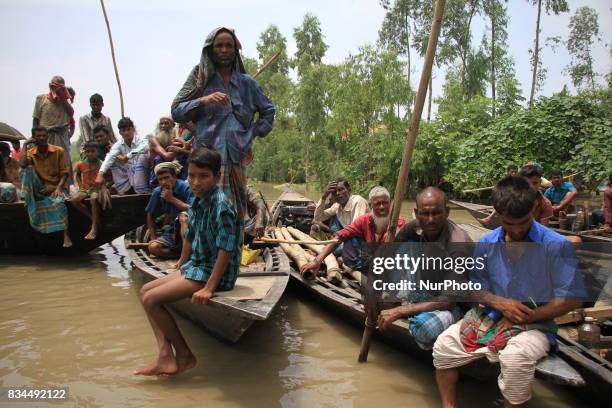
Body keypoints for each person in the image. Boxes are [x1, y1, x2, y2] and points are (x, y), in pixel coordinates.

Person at [433, 176, 586, 408]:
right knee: (443, 347)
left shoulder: (556, 245)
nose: (516, 230)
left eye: (522, 223)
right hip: (492, 316)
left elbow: (572, 299)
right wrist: (501, 304)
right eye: (508, 223)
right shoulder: (486, 243)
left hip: (538, 324)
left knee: (514, 359)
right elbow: (475, 289)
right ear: (497, 213)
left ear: (534, 207)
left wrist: (526, 316)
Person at [135, 147, 241, 376]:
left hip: (215, 273)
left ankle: (184, 355)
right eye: (192, 175)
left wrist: (210, 288)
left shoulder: (221, 205)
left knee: (152, 300)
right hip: (199, 265)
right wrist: (182, 263)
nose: (195, 182)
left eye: (203, 176)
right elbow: (190, 236)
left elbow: (227, 248)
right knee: (145, 291)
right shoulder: (200, 201)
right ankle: (165, 356)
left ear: (216, 177)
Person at [171, 27, 275, 221]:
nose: (224, 50)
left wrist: (251, 133)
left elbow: (268, 111)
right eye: (219, 45)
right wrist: (204, 100)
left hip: (236, 157)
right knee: (203, 213)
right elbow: (176, 110)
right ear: (211, 50)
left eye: (229, 45)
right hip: (205, 159)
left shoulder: (247, 83)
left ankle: (231, 249)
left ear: (235, 50)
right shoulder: (199, 77)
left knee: (234, 214)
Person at [377, 187, 472, 350]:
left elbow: (449, 300)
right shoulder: (414, 227)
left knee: (424, 329)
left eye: (436, 213)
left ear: (447, 212)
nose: (430, 220)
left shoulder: (458, 244)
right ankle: (408, 301)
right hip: (423, 290)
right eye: (425, 214)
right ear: (416, 212)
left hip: (454, 303)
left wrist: (401, 311)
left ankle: (414, 309)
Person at [301, 186, 405, 275]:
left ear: (390, 203)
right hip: (369, 261)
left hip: (389, 264)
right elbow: (339, 237)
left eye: (385, 203)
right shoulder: (363, 220)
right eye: (377, 204)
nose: (382, 207)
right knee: (349, 238)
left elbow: (398, 234)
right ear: (370, 205)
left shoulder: (397, 221)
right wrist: (317, 261)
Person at [19, 127, 72, 247]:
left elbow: (65, 173)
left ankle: (66, 234)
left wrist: (59, 188)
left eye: (44, 135)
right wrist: (25, 145)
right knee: (27, 169)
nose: (42, 138)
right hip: (39, 188)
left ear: (47, 136)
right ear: (34, 138)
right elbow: (22, 164)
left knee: (59, 202)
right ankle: (27, 197)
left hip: (56, 187)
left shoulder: (58, 151)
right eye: (38, 136)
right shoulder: (31, 152)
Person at [146, 161, 194, 258]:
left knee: (183, 218)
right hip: (173, 230)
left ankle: (187, 253)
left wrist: (171, 199)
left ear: (174, 177)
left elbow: (194, 210)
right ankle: (182, 254)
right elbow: (150, 215)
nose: (164, 182)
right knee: (153, 248)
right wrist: (153, 237)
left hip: (192, 228)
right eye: (160, 179)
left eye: (167, 177)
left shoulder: (186, 188)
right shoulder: (158, 192)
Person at [32, 75, 74, 181]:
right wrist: (34, 137)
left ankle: (65, 187)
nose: (56, 89)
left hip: (61, 135)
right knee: (45, 161)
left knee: (64, 161)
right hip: (45, 136)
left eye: (59, 87)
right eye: (54, 86)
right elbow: (36, 119)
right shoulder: (41, 99)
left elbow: (71, 113)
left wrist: (62, 96)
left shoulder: (66, 101)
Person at [94, 117, 150, 194]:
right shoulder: (118, 144)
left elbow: (146, 146)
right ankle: (125, 189)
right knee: (112, 159)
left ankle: (142, 190)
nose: (127, 132)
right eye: (124, 130)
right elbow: (109, 157)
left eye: (129, 129)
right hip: (128, 172)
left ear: (133, 129)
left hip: (143, 171)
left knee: (142, 156)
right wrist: (100, 174)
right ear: (120, 132)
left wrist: (128, 156)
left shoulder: (141, 139)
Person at [72, 141, 103, 240]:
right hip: (85, 188)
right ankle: (93, 218)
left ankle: (94, 228)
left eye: (93, 151)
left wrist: (104, 185)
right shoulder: (80, 164)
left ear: (97, 151)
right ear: (85, 152)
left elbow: (108, 176)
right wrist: (80, 185)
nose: (90, 153)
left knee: (94, 199)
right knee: (74, 200)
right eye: (88, 151)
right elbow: (76, 175)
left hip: (96, 188)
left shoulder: (101, 163)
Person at [149, 115, 178, 187]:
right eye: (161, 124)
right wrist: (179, 150)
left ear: (172, 125)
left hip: (171, 169)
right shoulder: (153, 139)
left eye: (166, 123)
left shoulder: (174, 137)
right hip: (158, 170)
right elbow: (166, 156)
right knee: (158, 158)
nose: (163, 126)